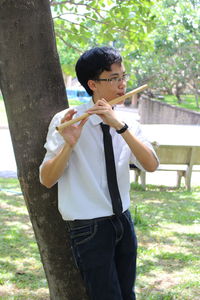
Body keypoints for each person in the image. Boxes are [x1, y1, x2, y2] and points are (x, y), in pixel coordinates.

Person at [39, 46, 159, 300]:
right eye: (114, 78)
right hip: (89, 226)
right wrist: (69, 145)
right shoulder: (68, 120)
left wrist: (121, 127)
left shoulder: (128, 123)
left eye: (124, 76)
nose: (122, 85)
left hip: (124, 221)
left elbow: (151, 165)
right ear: (92, 84)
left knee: (127, 294)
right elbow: (47, 179)